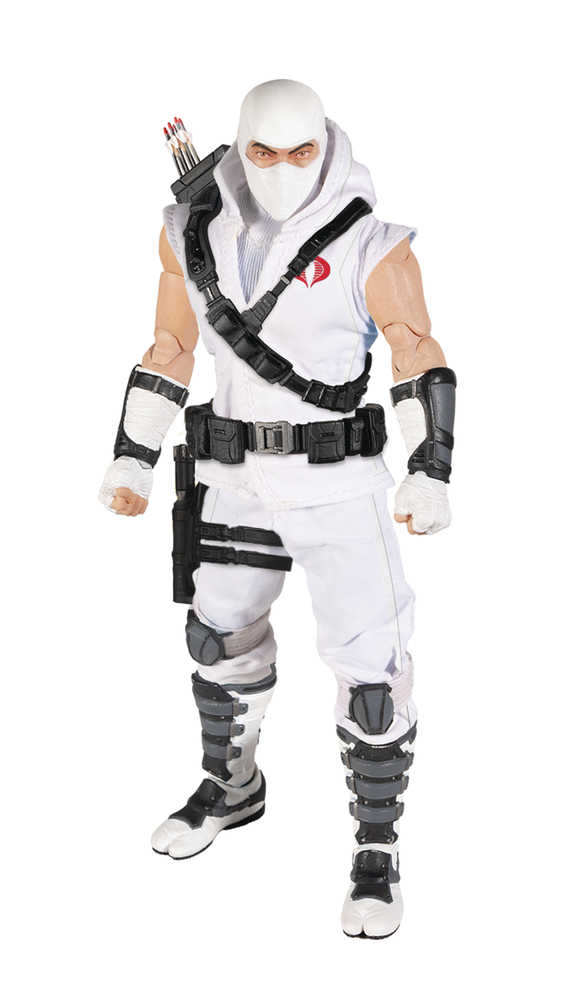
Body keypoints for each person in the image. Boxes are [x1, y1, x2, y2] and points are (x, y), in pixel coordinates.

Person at [99, 79, 456, 939]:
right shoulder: (192, 233)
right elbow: (170, 346)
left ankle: (377, 849)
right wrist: (133, 456)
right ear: (239, 147)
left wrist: (431, 468)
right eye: (263, 152)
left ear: (326, 148)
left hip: (339, 484)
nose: (284, 169)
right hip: (234, 479)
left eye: (302, 153)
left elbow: (415, 353)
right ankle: (232, 786)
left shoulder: (371, 243)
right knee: (217, 639)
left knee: (372, 679)